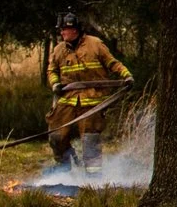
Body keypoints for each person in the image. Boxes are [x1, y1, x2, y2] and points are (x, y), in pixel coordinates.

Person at [45, 10, 131, 168]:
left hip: (92, 101)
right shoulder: (59, 50)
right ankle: (64, 168)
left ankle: (93, 177)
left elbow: (113, 63)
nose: (62, 33)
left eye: (64, 29)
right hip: (67, 99)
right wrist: (55, 84)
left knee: (90, 142)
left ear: (74, 30)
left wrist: (126, 75)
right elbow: (52, 70)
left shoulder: (95, 44)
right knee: (56, 136)